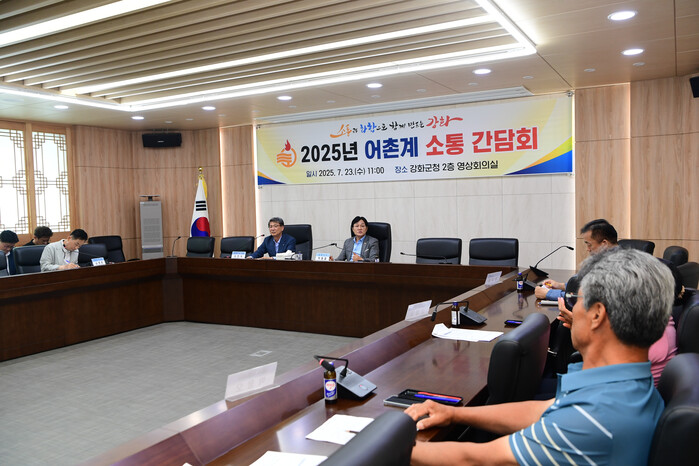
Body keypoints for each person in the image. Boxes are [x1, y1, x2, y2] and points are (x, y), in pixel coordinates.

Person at [406, 247, 673, 465]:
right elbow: (543, 410)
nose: (572, 308)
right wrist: (455, 415)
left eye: (577, 300)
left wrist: (385, 446)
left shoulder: (592, 418)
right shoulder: (628, 383)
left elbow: (475, 459)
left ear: (596, 315)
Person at [535, 218, 618, 300]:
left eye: (589, 245)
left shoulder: (617, 267)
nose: (588, 249)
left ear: (604, 244)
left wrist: (548, 294)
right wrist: (561, 286)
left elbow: (588, 297)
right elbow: (587, 285)